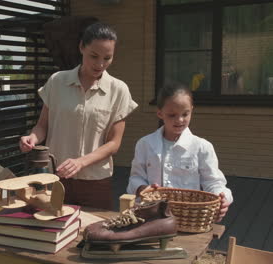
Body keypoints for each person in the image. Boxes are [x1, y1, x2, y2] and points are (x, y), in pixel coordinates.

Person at [19, 22, 138, 210]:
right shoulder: (57, 81)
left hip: (96, 182)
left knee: (96, 233)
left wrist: (81, 162)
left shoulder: (119, 90)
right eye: (94, 56)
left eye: (107, 58)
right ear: (82, 47)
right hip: (55, 179)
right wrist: (32, 138)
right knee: (55, 229)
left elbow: (114, 143)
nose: (100, 64)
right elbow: (42, 126)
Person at [126, 81, 233, 222]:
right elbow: (135, 178)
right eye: (172, 115)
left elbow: (214, 182)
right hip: (151, 218)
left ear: (192, 110)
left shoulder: (202, 147)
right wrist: (143, 188)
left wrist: (222, 197)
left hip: (189, 218)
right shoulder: (145, 144)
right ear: (160, 113)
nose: (179, 120)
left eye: (185, 114)